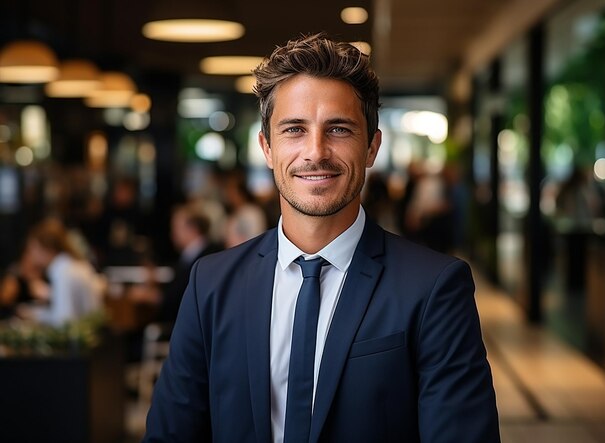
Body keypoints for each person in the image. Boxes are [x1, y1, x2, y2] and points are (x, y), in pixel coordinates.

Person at [143, 33, 500, 443]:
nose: (316, 152)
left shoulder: (434, 287)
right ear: (267, 148)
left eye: (339, 129)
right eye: (294, 129)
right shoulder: (211, 283)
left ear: (371, 147)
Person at [16, 218, 103, 327]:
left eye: (33, 248)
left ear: (47, 248)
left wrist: (33, 314)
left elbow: (64, 321)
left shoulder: (62, 271)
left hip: (82, 339)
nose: (31, 255)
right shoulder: (75, 264)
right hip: (92, 333)